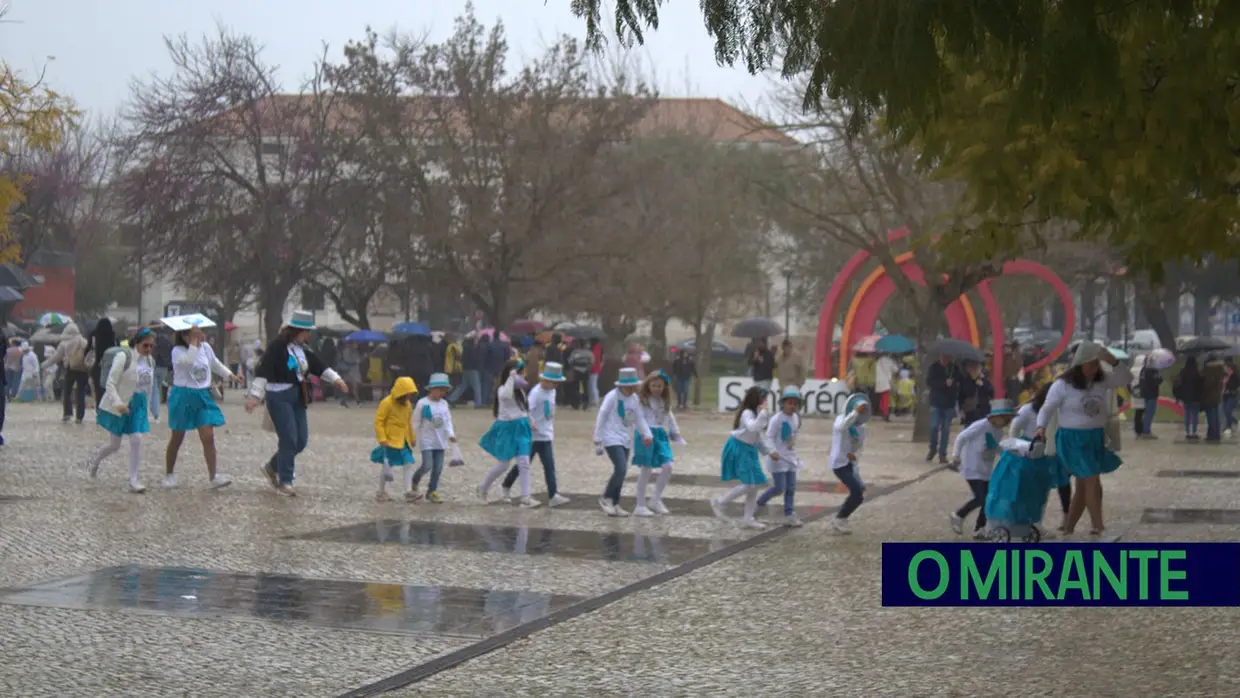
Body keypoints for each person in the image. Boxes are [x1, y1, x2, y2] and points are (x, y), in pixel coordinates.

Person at [245, 311, 348, 496]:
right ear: (296, 330)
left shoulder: (304, 348)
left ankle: (271, 467)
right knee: (289, 439)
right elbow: (264, 370)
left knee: (300, 441)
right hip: (278, 396)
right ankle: (286, 481)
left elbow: (318, 366)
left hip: (298, 396)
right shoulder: (277, 347)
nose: (309, 335)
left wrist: (336, 379)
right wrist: (255, 396)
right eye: (306, 331)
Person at [1035, 341, 1129, 536]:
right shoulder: (1063, 384)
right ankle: (1100, 527)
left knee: (1084, 484)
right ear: (1080, 363)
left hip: (1094, 437)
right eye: (1090, 364)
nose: (1094, 369)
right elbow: (1047, 407)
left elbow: (1126, 378)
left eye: (1097, 364)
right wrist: (1040, 427)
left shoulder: (1102, 381)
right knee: (1092, 479)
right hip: (1072, 439)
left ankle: (1068, 528)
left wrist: (1113, 361)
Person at [164, 320, 241, 490]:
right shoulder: (177, 351)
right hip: (183, 395)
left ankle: (213, 476)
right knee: (177, 437)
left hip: (203, 395)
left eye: (200, 333)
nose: (200, 336)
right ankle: (169, 473)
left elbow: (215, 364)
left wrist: (231, 375)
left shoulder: (205, 348)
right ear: (184, 336)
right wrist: (192, 344)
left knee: (208, 436)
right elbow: (188, 363)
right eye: (195, 334)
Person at [84, 327, 158, 493]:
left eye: (152, 346)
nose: (149, 349)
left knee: (136, 439)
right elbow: (111, 382)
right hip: (122, 402)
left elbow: (150, 386)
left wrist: (151, 406)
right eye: (146, 345)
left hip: (138, 404)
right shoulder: (123, 356)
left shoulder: (150, 361)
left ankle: (133, 479)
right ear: (137, 343)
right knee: (114, 444)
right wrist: (118, 403)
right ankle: (95, 461)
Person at [500, 362, 570, 507]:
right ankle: (506, 485)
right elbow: (526, 410)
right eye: (553, 382)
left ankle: (553, 494)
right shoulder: (536, 393)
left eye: (557, 383)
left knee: (549, 465)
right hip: (532, 436)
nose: (555, 386)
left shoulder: (552, 392)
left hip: (546, 435)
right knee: (523, 465)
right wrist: (531, 423)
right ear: (545, 380)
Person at [475, 359, 541, 508]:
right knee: (503, 464)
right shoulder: (503, 389)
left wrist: (531, 421)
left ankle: (525, 497)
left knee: (524, 462)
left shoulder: (520, 392)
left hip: (522, 427)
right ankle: (483, 487)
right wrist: (511, 378)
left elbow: (525, 408)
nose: (523, 376)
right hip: (507, 429)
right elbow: (505, 396)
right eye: (520, 373)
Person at [949, 400, 1016, 539]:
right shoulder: (981, 425)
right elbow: (962, 437)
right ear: (996, 416)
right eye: (1006, 418)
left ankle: (980, 528)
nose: (1007, 422)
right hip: (971, 467)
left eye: (1009, 419)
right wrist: (955, 455)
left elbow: (995, 447)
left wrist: (1009, 451)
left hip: (985, 469)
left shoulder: (998, 431)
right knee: (982, 498)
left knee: (988, 499)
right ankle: (959, 515)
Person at [709, 386, 772, 530]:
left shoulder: (757, 412)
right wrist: (763, 413)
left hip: (750, 450)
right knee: (749, 484)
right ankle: (720, 502)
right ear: (755, 398)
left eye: (765, 399)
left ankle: (748, 517)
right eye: (762, 398)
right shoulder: (747, 413)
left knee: (754, 484)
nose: (765, 402)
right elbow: (752, 428)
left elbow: (757, 436)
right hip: (739, 448)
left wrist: (768, 452)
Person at [593, 367, 651, 516]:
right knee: (621, 468)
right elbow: (602, 416)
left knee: (622, 471)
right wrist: (598, 438)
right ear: (623, 385)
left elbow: (637, 418)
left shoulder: (634, 399)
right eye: (631, 386)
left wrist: (646, 434)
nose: (634, 388)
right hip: (611, 437)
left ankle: (615, 502)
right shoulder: (612, 396)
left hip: (625, 437)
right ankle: (606, 497)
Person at [630, 370, 682, 517]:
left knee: (668, 465)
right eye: (653, 385)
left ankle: (655, 499)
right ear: (648, 385)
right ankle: (640, 505)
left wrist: (676, 431)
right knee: (646, 469)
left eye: (659, 386)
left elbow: (669, 416)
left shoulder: (664, 401)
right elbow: (638, 418)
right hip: (645, 435)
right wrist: (646, 433)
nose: (656, 389)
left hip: (660, 434)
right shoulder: (641, 400)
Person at [757, 386, 804, 527]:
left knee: (791, 488)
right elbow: (769, 437)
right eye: (789, 403)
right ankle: (758, 503)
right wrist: (772, 451)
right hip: (777, 458)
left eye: (795, 403)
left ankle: (789, 514)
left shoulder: (796, 418)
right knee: (779, 488)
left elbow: (792, 436)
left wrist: (794, 455)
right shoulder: (776, 419)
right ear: (783, 403)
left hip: (790, 458)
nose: (792, 406)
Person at [409, 373, 457, 502]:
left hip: (440, 441)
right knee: (427, 465)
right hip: (427, 440)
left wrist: (451, 434)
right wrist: (412, 436)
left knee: (438, 468)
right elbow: (416, 422)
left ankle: (432, 491)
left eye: (444, 390)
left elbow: (447, 421)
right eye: (440, 389)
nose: (442, 393)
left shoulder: (444, 404)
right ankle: (415, 480)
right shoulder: (422, 403)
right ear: (431, 389)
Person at [370, 376, 419, 502]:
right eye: (407, 395)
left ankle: (408, 491)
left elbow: (408, 423)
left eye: (410, 395)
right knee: (387, 466)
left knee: (408, 462)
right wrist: (382, 438)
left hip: (403, 440)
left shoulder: (407, 405)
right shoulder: (386, 403)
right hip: (390, 440)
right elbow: (379, 421)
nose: (409, 398)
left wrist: (412, 438)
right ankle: (381, 491)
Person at [828, 393, 870, 534]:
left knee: (859, 494)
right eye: (860, 409)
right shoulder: (841, 420)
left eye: (863, 410)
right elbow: (842, 428)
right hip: (839, 464)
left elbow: (860, 448)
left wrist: (855, 455)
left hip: (851, 465)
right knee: (856, 492)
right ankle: (839, 519)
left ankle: (842, 518)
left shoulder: (862, 428)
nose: (861, 412)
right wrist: (854, 413)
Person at [41, 321, 90, 424]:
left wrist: (43, 365)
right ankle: (79, 417)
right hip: (83, 369)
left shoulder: (64, 343)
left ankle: (67, 413)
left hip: (70, 368)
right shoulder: (84, 341)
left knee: (67, 391)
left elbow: (56, 358)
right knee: (80, 393)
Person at [925, 354, 961, 463]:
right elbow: (930, 382)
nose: (946, 359)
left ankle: (942, 454)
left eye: (948, 357)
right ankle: (932, 448)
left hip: (949, 403)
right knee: (934, 426)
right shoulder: (934, 367)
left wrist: (952, 384)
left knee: (946, 429)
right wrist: (944, 383)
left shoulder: (954, 369)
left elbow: (959, 382)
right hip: (936, 401)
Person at [86, 318, 118, 406]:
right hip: (111, 365)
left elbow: (87, 349)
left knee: (98, 388)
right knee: (110, 387)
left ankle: (99, 407)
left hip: (97, 365)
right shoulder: (113, 335)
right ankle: (108, 406)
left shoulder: (93, 335)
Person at [449, 335, 483, 408]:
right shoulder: (473, 349)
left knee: (462, 386)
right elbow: (475, 359)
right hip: (473, 369)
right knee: (477, 387)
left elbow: (462, 359)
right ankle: (478, 404)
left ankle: (451, 398)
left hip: (465, 369)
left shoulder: (465, 348)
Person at [1174, 356, 1202, 439]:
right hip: (1196, 397)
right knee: (1195, 415)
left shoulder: (1183, 372)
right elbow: (1201, 386)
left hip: (1186, 397)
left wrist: (1178, 397)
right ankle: (1194, 432)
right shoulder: (1197, 373)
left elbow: (1178, 385)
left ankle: (1188, 431)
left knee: (1187, 414)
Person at [1201, 353, 1226, 443]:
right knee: (1216, 415)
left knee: (1210, 416)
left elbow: (1206, 384)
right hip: (1217, 396)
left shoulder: (1208, 370)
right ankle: (1216, 434)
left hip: (1209, 396)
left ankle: (1212, 434)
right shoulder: (1220, 369)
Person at [566, 340, 594, 409]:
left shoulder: (575, 352)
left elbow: (569, 361)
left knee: (576, 388)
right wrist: (587, 368)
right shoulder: (589, 353)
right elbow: (592, 362)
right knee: (585, 388)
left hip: (576, 371)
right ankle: (585, 403)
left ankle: (576, 403)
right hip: (585, 372)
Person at [874, 352, 899, 421]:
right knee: (886, 398)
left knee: (882, 398)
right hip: (886, 382)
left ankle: (882, 411)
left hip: (879, 381)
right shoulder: (890, 361)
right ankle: (885, 414)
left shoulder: (878, 360)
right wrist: (895, 362)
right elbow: (896, 370)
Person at [1224, 359, 1239, 438]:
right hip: (1225, 395)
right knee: (1225, 411)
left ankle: (1228, 426)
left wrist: (1228, 384)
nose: (1225, 368)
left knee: (1228, 410)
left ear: (1230, 368)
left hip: (1232, 395)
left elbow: (1235, 385)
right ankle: (1234, 421)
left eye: (1226, 367)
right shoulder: (1225, 375)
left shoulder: (1235, 375)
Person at [588, 338, 604, 406]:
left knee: (592, 385)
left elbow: (594, 358)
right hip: (597, 368)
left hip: (593, 369)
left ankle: (595, 400)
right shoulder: (600, 347)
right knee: (593, 385)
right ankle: (594, 400)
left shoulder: (595, 348)